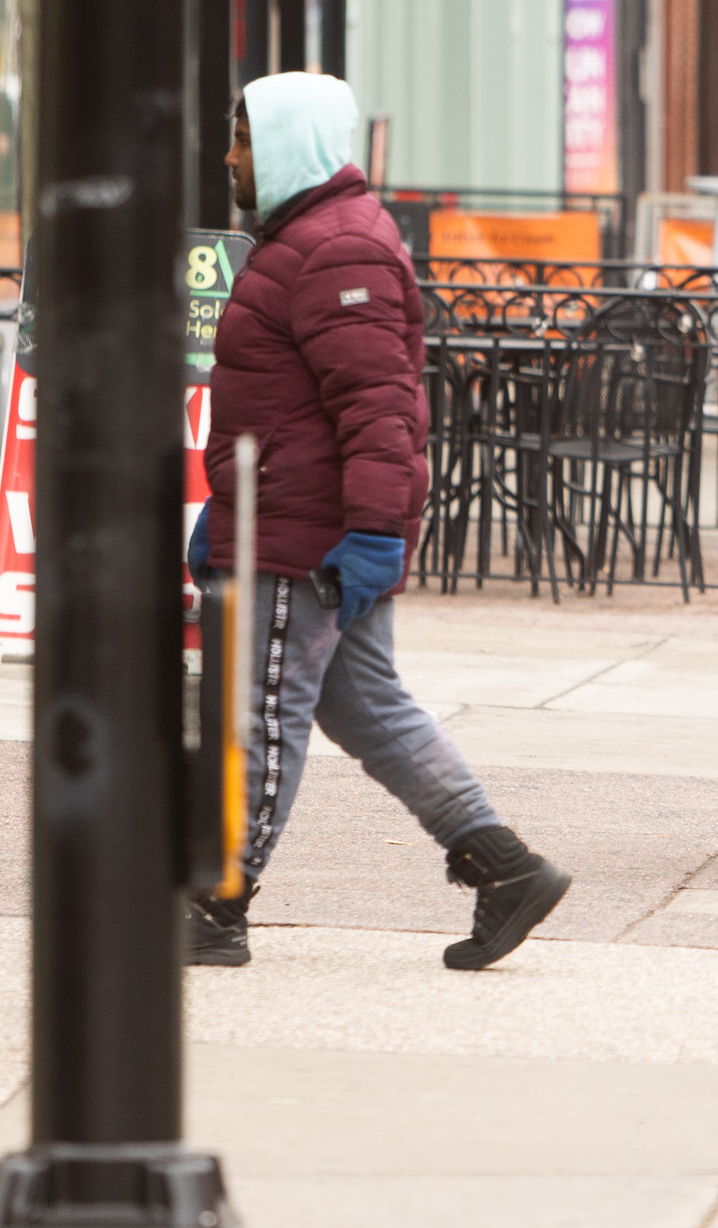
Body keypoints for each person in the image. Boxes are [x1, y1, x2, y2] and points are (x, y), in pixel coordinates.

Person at [185, 72, 571, 971]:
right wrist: (226, 515)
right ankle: (504, 868)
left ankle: (218, 904)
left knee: (261, 719)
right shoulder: (308, 241)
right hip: (290, 523)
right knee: (372, 712)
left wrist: (371, 535)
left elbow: (380, 406)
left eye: (242, 138)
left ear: (286, 144)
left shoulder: (335, 249)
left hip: (311, 540)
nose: (230, 156)